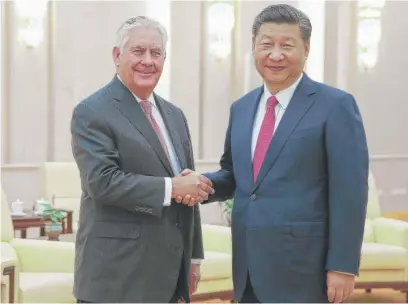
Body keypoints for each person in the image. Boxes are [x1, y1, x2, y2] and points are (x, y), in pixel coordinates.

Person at [177, 4, 369, 303]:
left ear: (306, 49)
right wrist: (203, 184)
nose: (275, 54)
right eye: (266, 44)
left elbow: (350, 192)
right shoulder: (241, 108)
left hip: (305, 268)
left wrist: (342, 266)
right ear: (254, 48)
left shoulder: (336, 106)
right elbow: (235, 175)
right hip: (248, 265)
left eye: (286, 45)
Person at [70, 16, 213, 303]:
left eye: (156, 53)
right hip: (117, 278)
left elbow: (187, 184)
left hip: (169, 274)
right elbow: (102, 182)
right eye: (138, 51)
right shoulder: (92, 111)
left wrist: (193, 256)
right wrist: (172, 188)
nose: (148, 61)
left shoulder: (175, 115)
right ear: (117, 55)